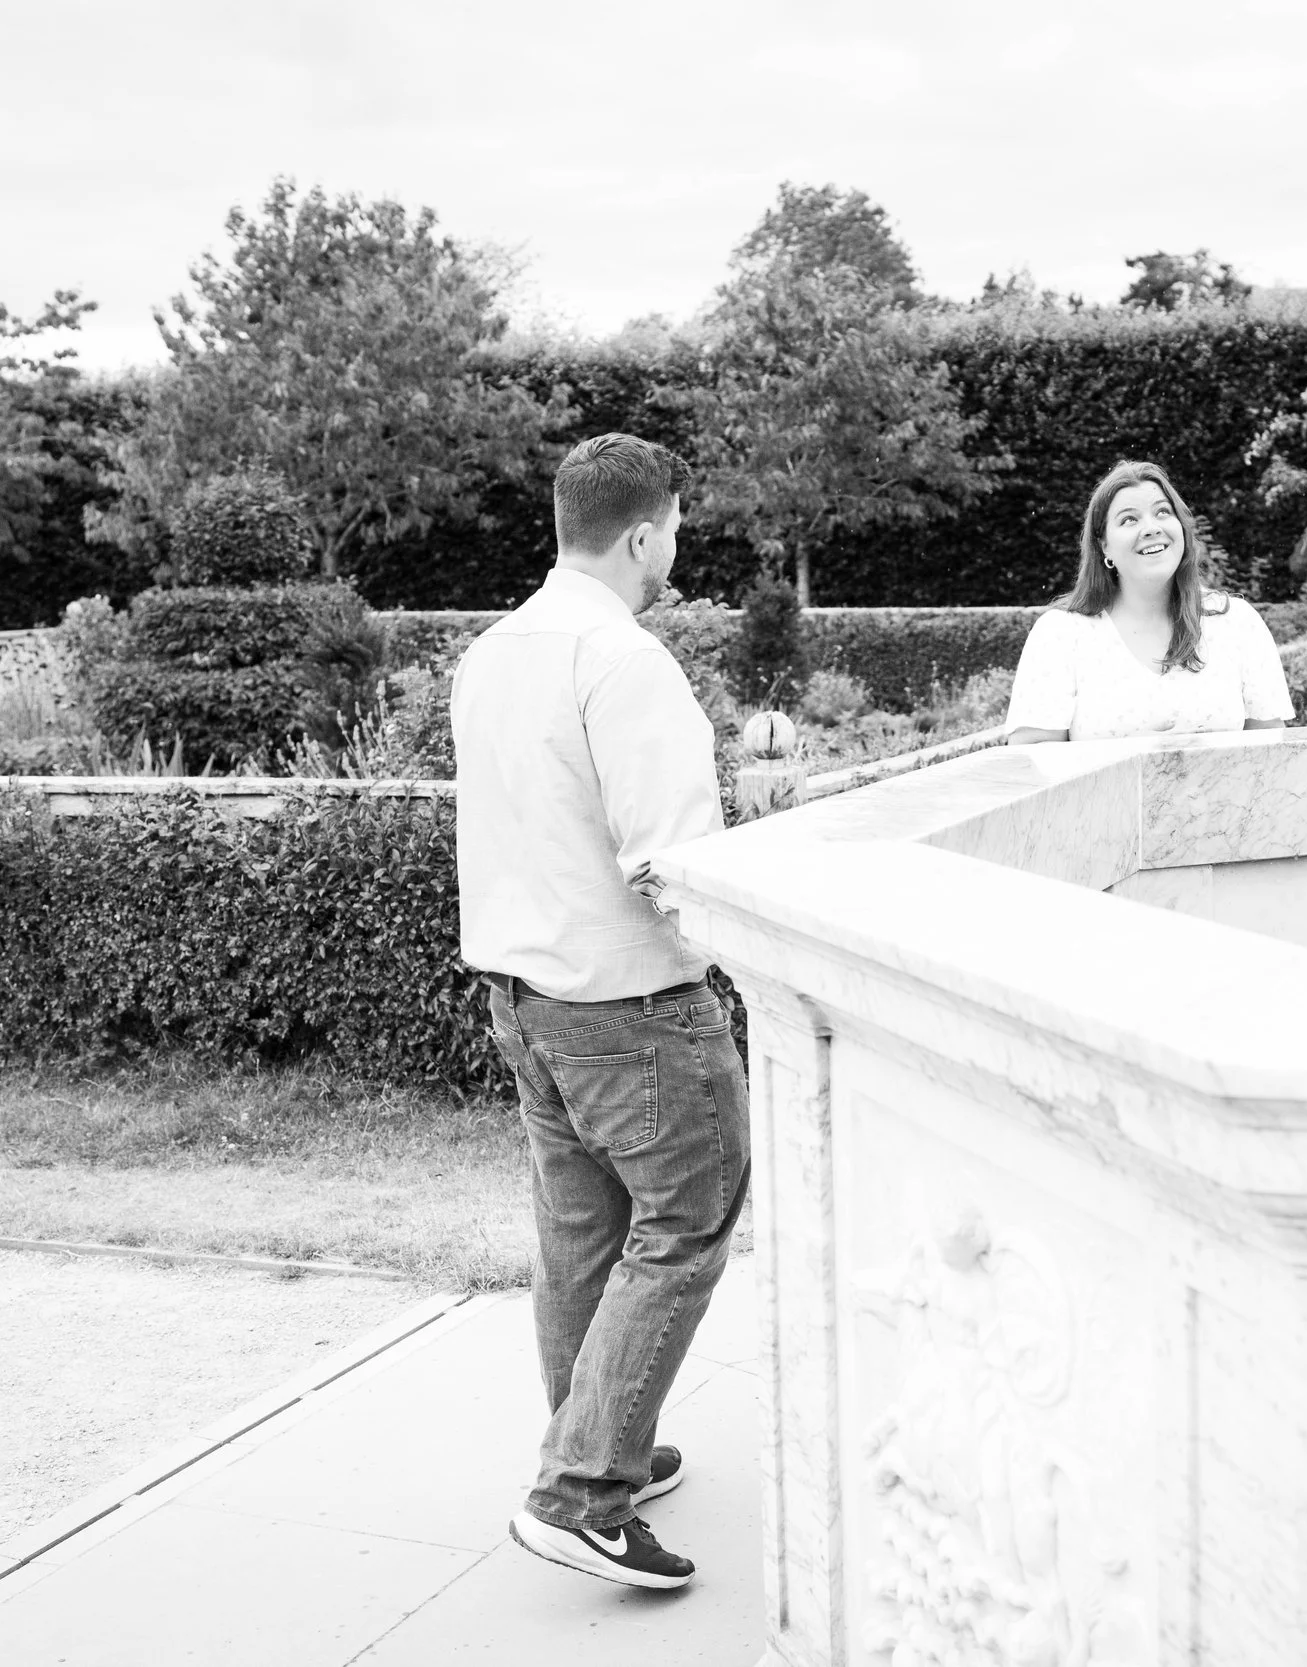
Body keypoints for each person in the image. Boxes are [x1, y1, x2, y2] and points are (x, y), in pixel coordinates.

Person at [450, 433, 748, 1592]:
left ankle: (595, 1441)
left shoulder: (494, 651)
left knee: (581, 1234)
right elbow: (670, 862)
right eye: (673, 528)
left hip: (524, 1000)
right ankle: (580, 1490)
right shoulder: (624, 661)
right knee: (684, 1223)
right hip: (630, 1007)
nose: (674, 548)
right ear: (641, 534)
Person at [1003, 460, 1293, 743]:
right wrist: (1138, 758)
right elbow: (1034, 764)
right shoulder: (1061, 635)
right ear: (1104, 545)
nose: (1151, 528)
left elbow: (1270, 757)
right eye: (1129, 519)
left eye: (1163, 512)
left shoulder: (1236, 622)